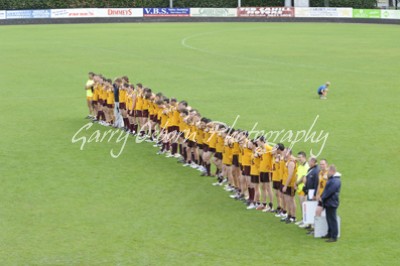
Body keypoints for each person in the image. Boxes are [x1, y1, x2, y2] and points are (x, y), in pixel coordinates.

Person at [321, 165, 341, 242]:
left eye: (328, 171)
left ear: (332, 171)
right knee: (329, 218)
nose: (327, 173)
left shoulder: (335, 181)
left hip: (331, 202)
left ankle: (334, 236)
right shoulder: (334, 179)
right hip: (330, 202)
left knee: (332, 219)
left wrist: (323, 197)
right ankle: (330, 233)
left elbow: (329, 191)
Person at [295, 151, 309, 226]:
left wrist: (297, 183)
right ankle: (303, 219)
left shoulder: (306, 166)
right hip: (299, 188)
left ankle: (306, 221)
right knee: (301, 205)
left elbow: (304, 177)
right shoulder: (300, 166)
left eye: (300, 157)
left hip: (303, 188)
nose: (299, 159)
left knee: (304, 205)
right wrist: (295, 183)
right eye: (298, 157)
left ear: (304, 157)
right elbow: (297, 175)